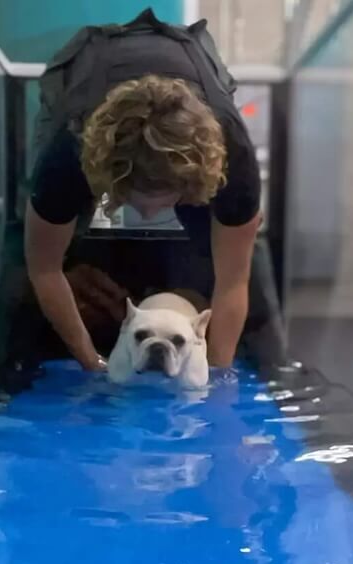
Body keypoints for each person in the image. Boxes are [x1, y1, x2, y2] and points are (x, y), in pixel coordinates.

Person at [25, 9, 263, 373]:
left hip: (194, 70)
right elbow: (44, 269)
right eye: (136, 199)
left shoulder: (233, 155)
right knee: (38, 244)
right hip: (89, 71)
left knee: (231, 255)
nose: (150, 214)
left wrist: (216, 377)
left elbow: (234, 280)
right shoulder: (67, 147)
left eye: (163, 201)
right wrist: (92, 362)